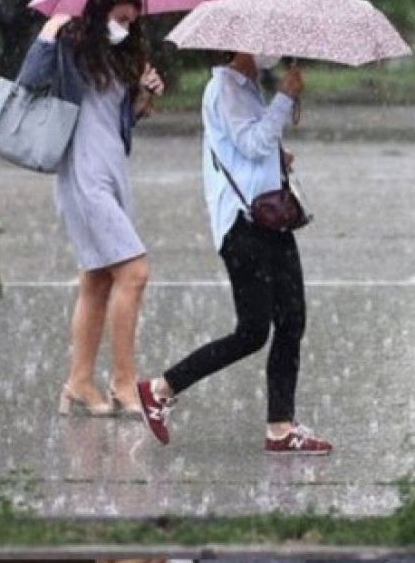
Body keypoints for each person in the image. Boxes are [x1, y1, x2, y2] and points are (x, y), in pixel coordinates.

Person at [135, 51, 333, 455]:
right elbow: (252, 143)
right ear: (243, 46)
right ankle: (160, 388)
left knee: (291, 321)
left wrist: (280, 154)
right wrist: (284, 99)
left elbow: (248, 151)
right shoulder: (224, 89)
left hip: (271, 219)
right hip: (244, 228)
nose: (272, 53)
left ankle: (281, 427)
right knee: (253, 331)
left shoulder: (247, 89)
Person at [16, 0, 165, 417]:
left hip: (113, 171)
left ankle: (79, 381)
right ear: (99, 14)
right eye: (120, 18)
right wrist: (48, 34)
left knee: (98, 279)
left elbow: (119, 122)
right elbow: (29, 83)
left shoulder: (121, 59)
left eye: (132, 21)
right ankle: (123, 381)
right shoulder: (70, 50)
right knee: (134, 272)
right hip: (83, 175)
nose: (126, 27)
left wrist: (144, 94)